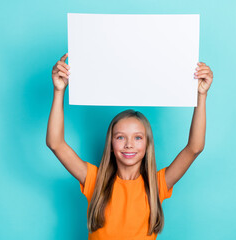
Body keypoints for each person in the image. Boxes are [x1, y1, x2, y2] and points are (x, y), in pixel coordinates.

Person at [46, 53, 213, 239]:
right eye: (120, 137)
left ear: (148, 145)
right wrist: (59, 91)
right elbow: (56, 143)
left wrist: (201, 95)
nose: (129, 145)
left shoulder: (157, 185)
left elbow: (195, 147)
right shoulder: (94, 179)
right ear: (110, 144)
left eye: (138, 138)